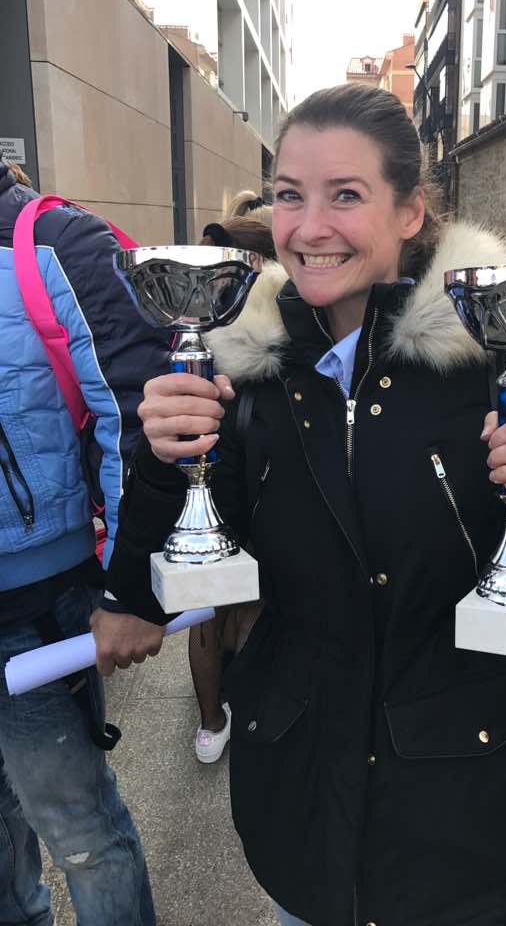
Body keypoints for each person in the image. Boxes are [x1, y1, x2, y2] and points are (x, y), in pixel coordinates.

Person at [100, 84, 506, 926]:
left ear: (409, 212)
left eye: (346, 195)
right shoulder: (248, 366)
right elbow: (184, 569)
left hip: (473, 829)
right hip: (304, 821)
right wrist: (164, 457)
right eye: (290, 195)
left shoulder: (496, 360)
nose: (309, 227)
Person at [0, 156, 167, 926]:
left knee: (81, 835)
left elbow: (137, 418)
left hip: (34, 606)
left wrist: (129, 590)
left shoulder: (57, 243)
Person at [188, 211, 277, 763]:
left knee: (211, 608)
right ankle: (237, 714)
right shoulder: (282, 316)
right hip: (253, 472)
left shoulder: (203, 316)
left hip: (213, 472)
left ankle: (211, 723)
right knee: (246, 604)